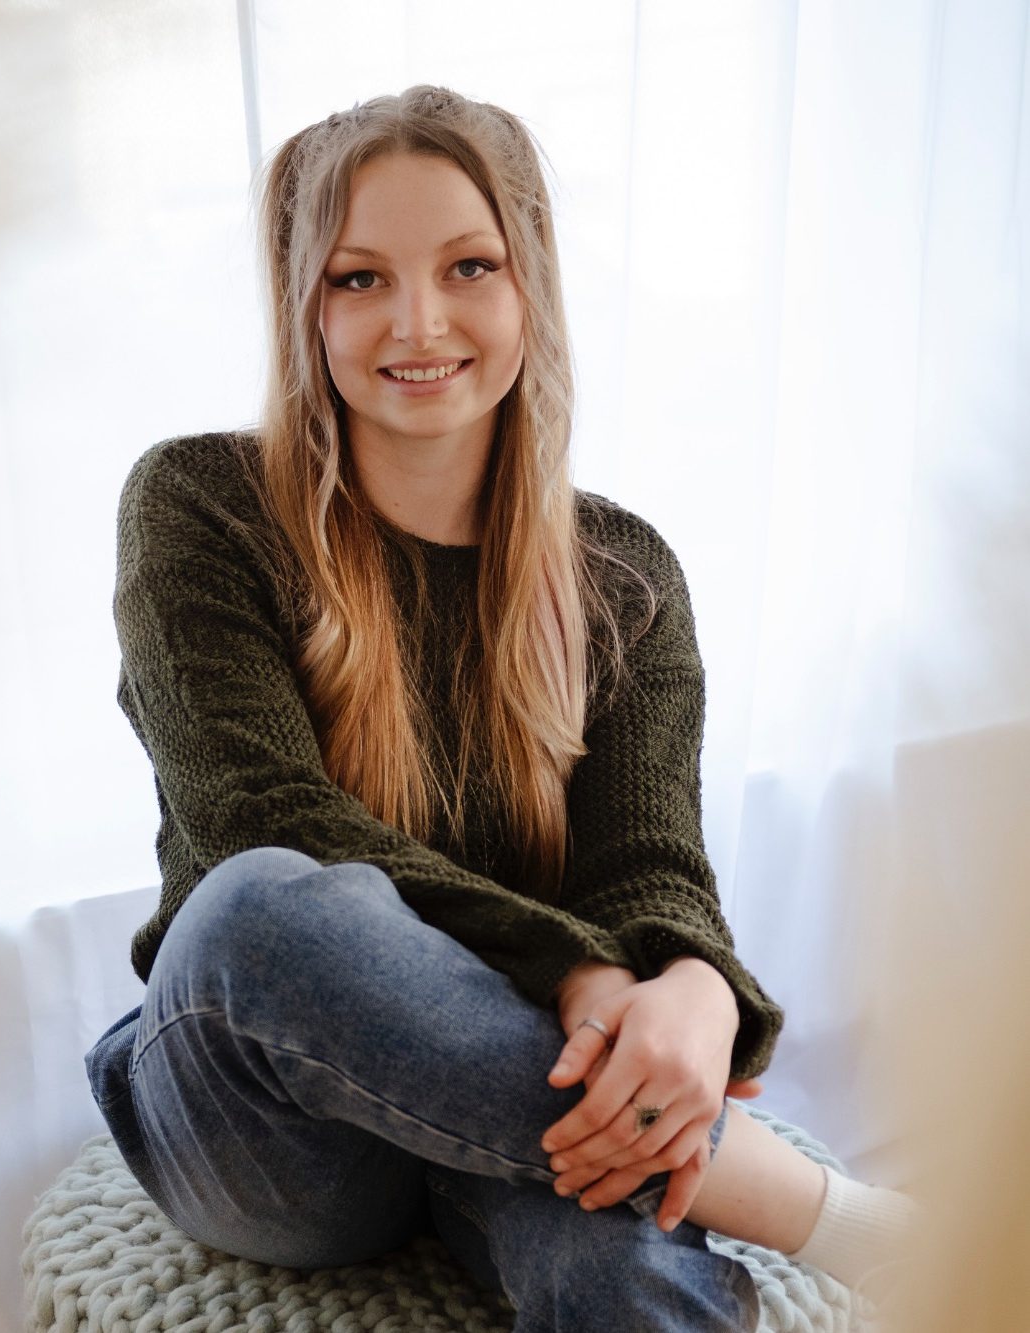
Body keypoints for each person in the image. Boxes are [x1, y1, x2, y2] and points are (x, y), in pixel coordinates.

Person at [86, 85, 916, 1331]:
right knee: (260, 905)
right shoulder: (199, 504)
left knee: (619, 1265)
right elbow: (258, 813)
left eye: (468, 266)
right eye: (358, 279)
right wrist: (578, 970)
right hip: (270, 1127)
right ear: (303, 303)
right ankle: (826, 1215)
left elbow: (646, 863)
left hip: (512, 1094)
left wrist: (694, 984)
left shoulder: (623, 574)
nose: (418, 321)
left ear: (531, 284)